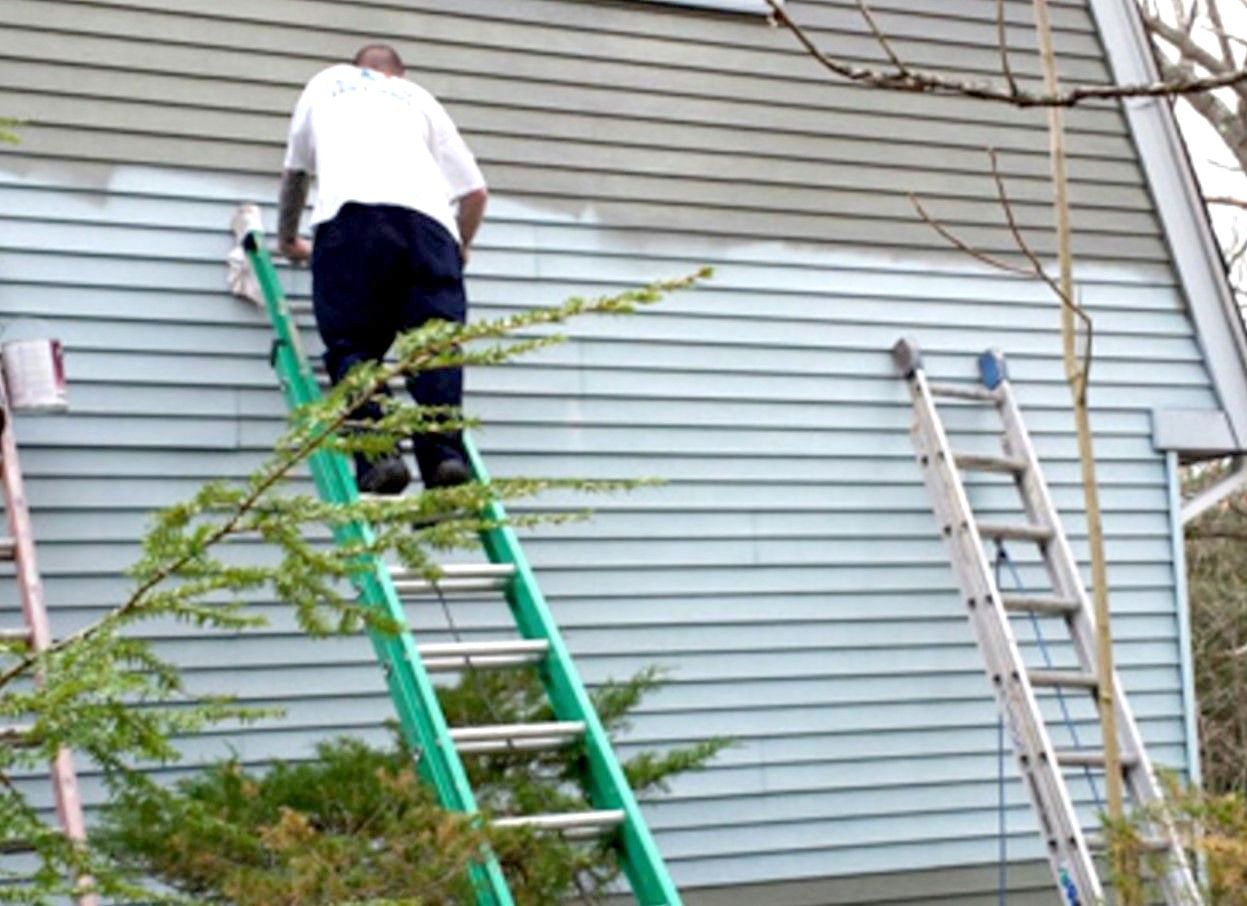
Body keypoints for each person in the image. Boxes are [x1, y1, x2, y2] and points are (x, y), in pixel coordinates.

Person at [277, 43, 488, 494]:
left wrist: (287, 239)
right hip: (431, 228)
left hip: (351, 221)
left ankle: (379, 457)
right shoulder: (420, 98)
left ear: (358, 69)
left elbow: (295, 174)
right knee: (434, 348)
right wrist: (461, 248)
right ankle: (444, 459)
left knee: (353, 342)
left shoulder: (326, 83)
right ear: (399, 74)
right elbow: (474, 194)